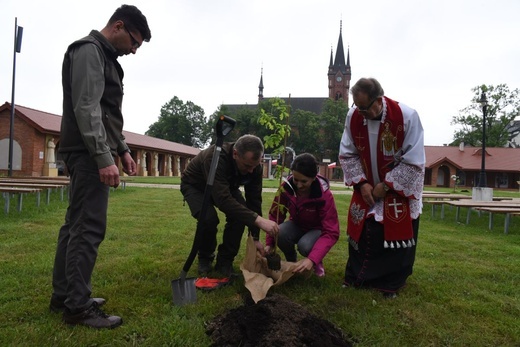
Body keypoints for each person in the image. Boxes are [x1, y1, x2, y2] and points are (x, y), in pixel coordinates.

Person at [50, 5, 151, 329]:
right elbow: (87, 107)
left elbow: (106, 113)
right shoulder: (89, 51)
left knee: (75, 224)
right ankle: (77, 307)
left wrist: (122, 149)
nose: (134, 51)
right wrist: (103, 157)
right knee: (88, 228)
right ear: (118, 26)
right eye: (134, 42)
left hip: (91, 150)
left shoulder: (106, 57)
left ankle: (65, 295)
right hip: (86, 152)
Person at [338, 77, 425, 298]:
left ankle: (390, 282)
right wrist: (362, 183)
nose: (360, 113)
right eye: (356, 107)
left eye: (364, 108)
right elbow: (348, 154)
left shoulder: (407, 117)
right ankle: (357, 276)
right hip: (367, 188)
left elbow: (413, 161)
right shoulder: (354, 116)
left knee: (390, 233)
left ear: (378, 100)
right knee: (363, 229)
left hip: (396, 190)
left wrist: (385, 187)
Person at [180, 134, 279, 277]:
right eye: (247, 166)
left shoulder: (254, 167)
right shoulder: (215, 157)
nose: (251, 170)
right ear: (235, 154)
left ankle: (224, 262)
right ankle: (205, 258)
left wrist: (255, 237)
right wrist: (258, 220)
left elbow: (254, 200)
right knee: (208, 219)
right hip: (195, 185)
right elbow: (223, 200)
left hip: (226, 186)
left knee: (240, 216)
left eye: (254, 166)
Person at [265, 153, 340, 277]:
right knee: (280, 232)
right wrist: (270, 243)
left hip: (317, 230)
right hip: (297, 224)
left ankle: (316, 261)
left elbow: (331, 232)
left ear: (314, 178)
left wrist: (312, 259)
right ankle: (291, 260)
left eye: (304, 181)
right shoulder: (286, 188)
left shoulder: (324, 195)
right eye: (296, 179)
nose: (299, 185)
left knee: (304, 245)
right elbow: (276, 215)